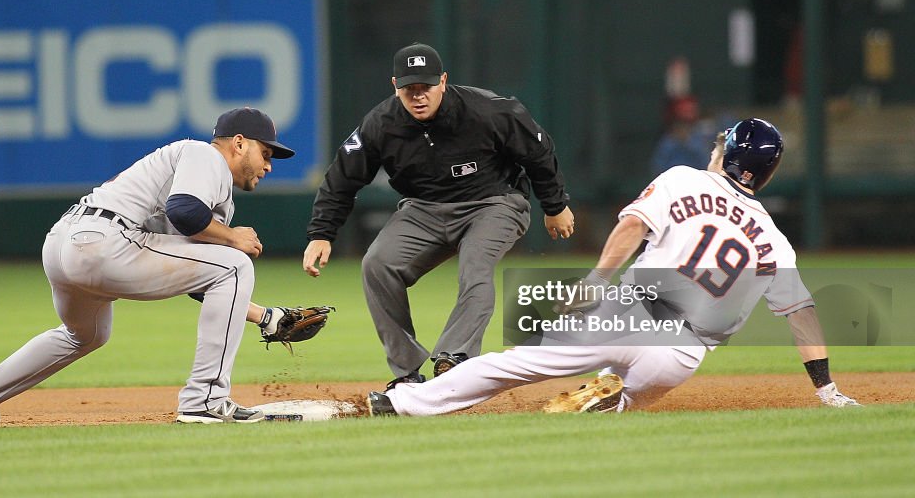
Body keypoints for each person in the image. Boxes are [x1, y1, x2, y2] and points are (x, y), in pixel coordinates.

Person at [368, 118, 860, 416]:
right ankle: (612, 393)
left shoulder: (684, 179)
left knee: (518, 365)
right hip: (680, 360)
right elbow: (801, 314)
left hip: (631, 317)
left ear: (727, 152)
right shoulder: (774, 239)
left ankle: (404, 402)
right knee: (622, 403)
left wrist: (595, 280)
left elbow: (630, 229)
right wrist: (827, 388)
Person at [0, 107, 301, 427]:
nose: (268, 165)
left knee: (86, 334)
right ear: (238, 143)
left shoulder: (199, 174)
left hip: (65, 243)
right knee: (236, 264)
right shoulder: (205, 156)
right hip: (105, 241)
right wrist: (232, 237)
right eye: (265, 152)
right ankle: (203, 402)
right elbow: (185, 212)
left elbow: (195, 278)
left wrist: (265, 316)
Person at [303, 42, 575, 389]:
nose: (418, 96)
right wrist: (321, 233)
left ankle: (455, 358)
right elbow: (341, 178)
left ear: (443, 81)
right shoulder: (380, 124)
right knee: (377, 264)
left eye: (426, 87)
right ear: (395, 87)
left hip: (494, 202)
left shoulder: (488, 111)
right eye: (409, 89)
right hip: (423, 209)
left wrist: (555, 206)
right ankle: (406, 372)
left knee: (475, 265)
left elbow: (539, 151)